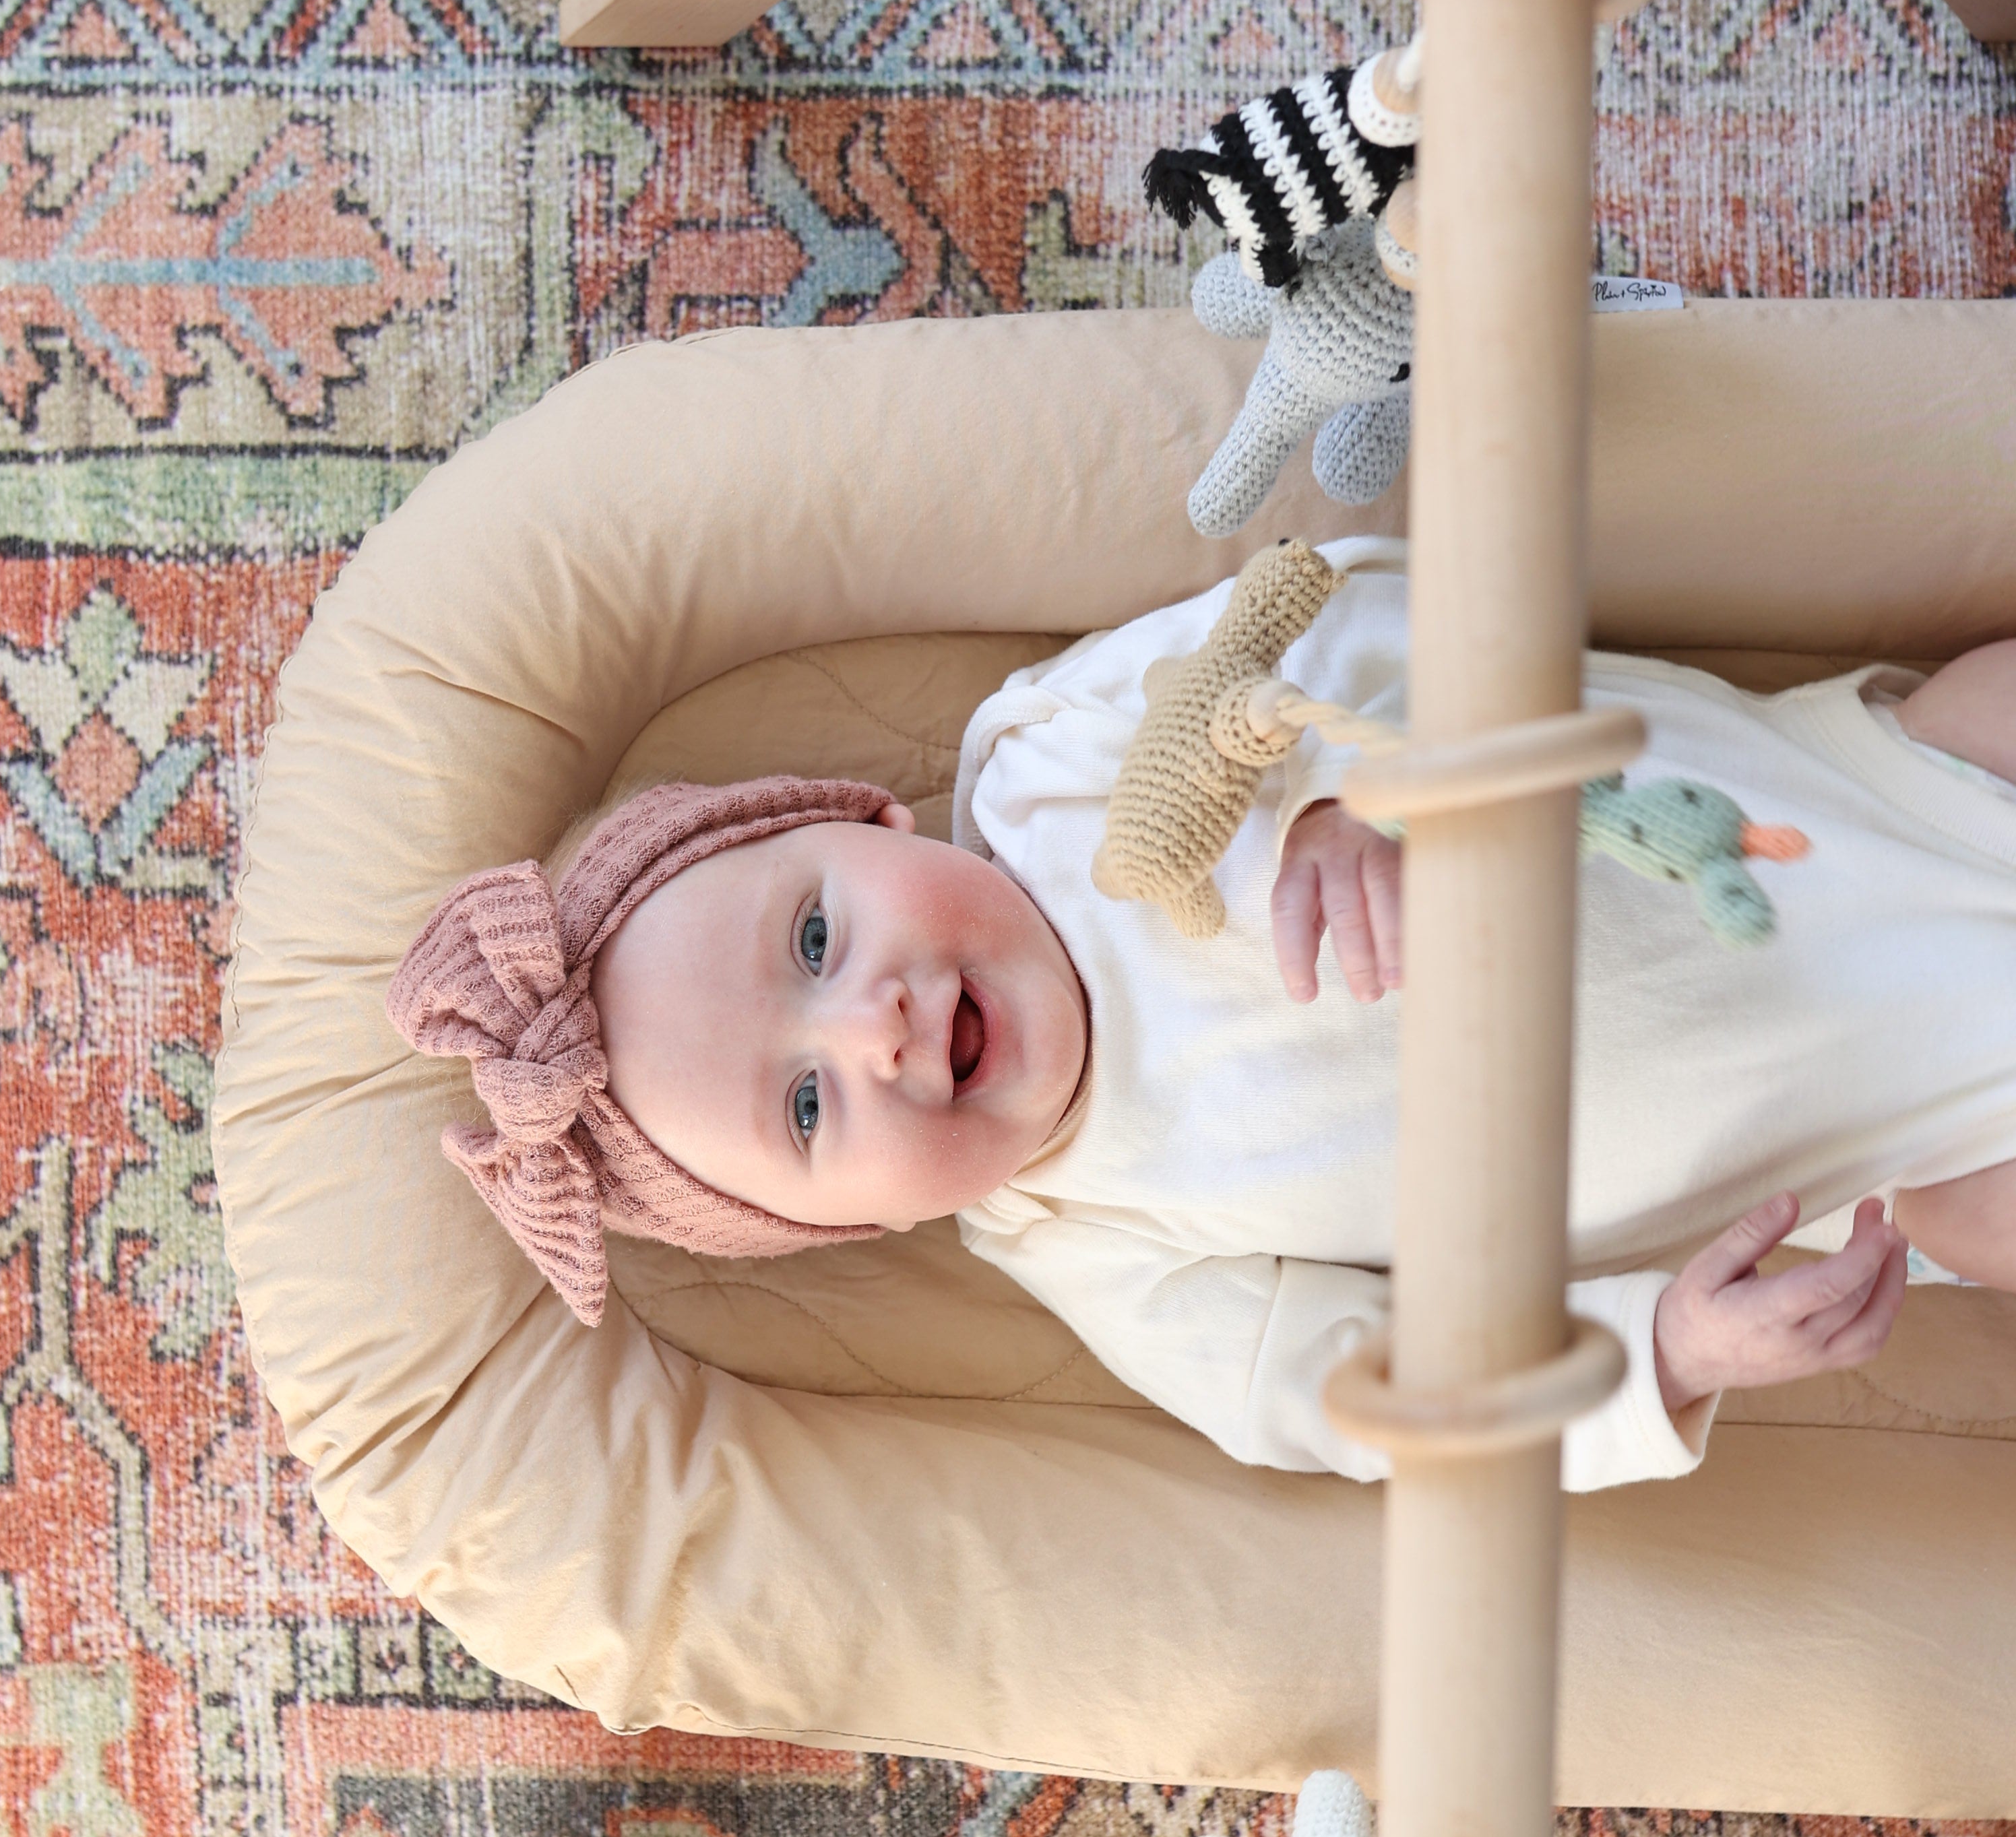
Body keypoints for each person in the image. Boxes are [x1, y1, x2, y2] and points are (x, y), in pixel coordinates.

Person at [387, 548, 2016, 1491]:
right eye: (808, 1113)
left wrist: (1335, 793)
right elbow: (1381, 1402)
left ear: (872, 824)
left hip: (1873, 806)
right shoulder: (1111, 1253)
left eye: (816, 933)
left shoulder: (1057, 763)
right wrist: (1656, 1356)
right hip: (1900, 1144)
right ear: (851, 1228)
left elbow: (1339, 602)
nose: (870, 1028)